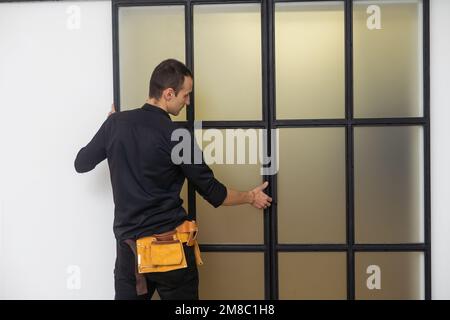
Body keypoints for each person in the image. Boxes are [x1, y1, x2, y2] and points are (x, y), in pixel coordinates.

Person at [74, 58, 272, 300]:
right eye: (185, 95)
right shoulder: (178, 136)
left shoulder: (116, 124)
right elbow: (214, 193)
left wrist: (110, 125)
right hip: (171, 253)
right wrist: (250, 196)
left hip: (130, 255)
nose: (188, 102)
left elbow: (81, 163)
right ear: (168, 93)